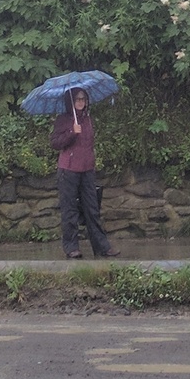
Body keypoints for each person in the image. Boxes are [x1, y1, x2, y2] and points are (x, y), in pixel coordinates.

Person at [48, 87, 119, 259]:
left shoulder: (87, 119)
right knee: (70, 210)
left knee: (92, 210)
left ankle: (102, 247)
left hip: (87, 170)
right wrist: (72, 132)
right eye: (77, 99)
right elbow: (55, 143)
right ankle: (71, 247)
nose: (80, 102)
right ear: (70, 102)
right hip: (68, 170)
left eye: (83, 99)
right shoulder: (63, 120)